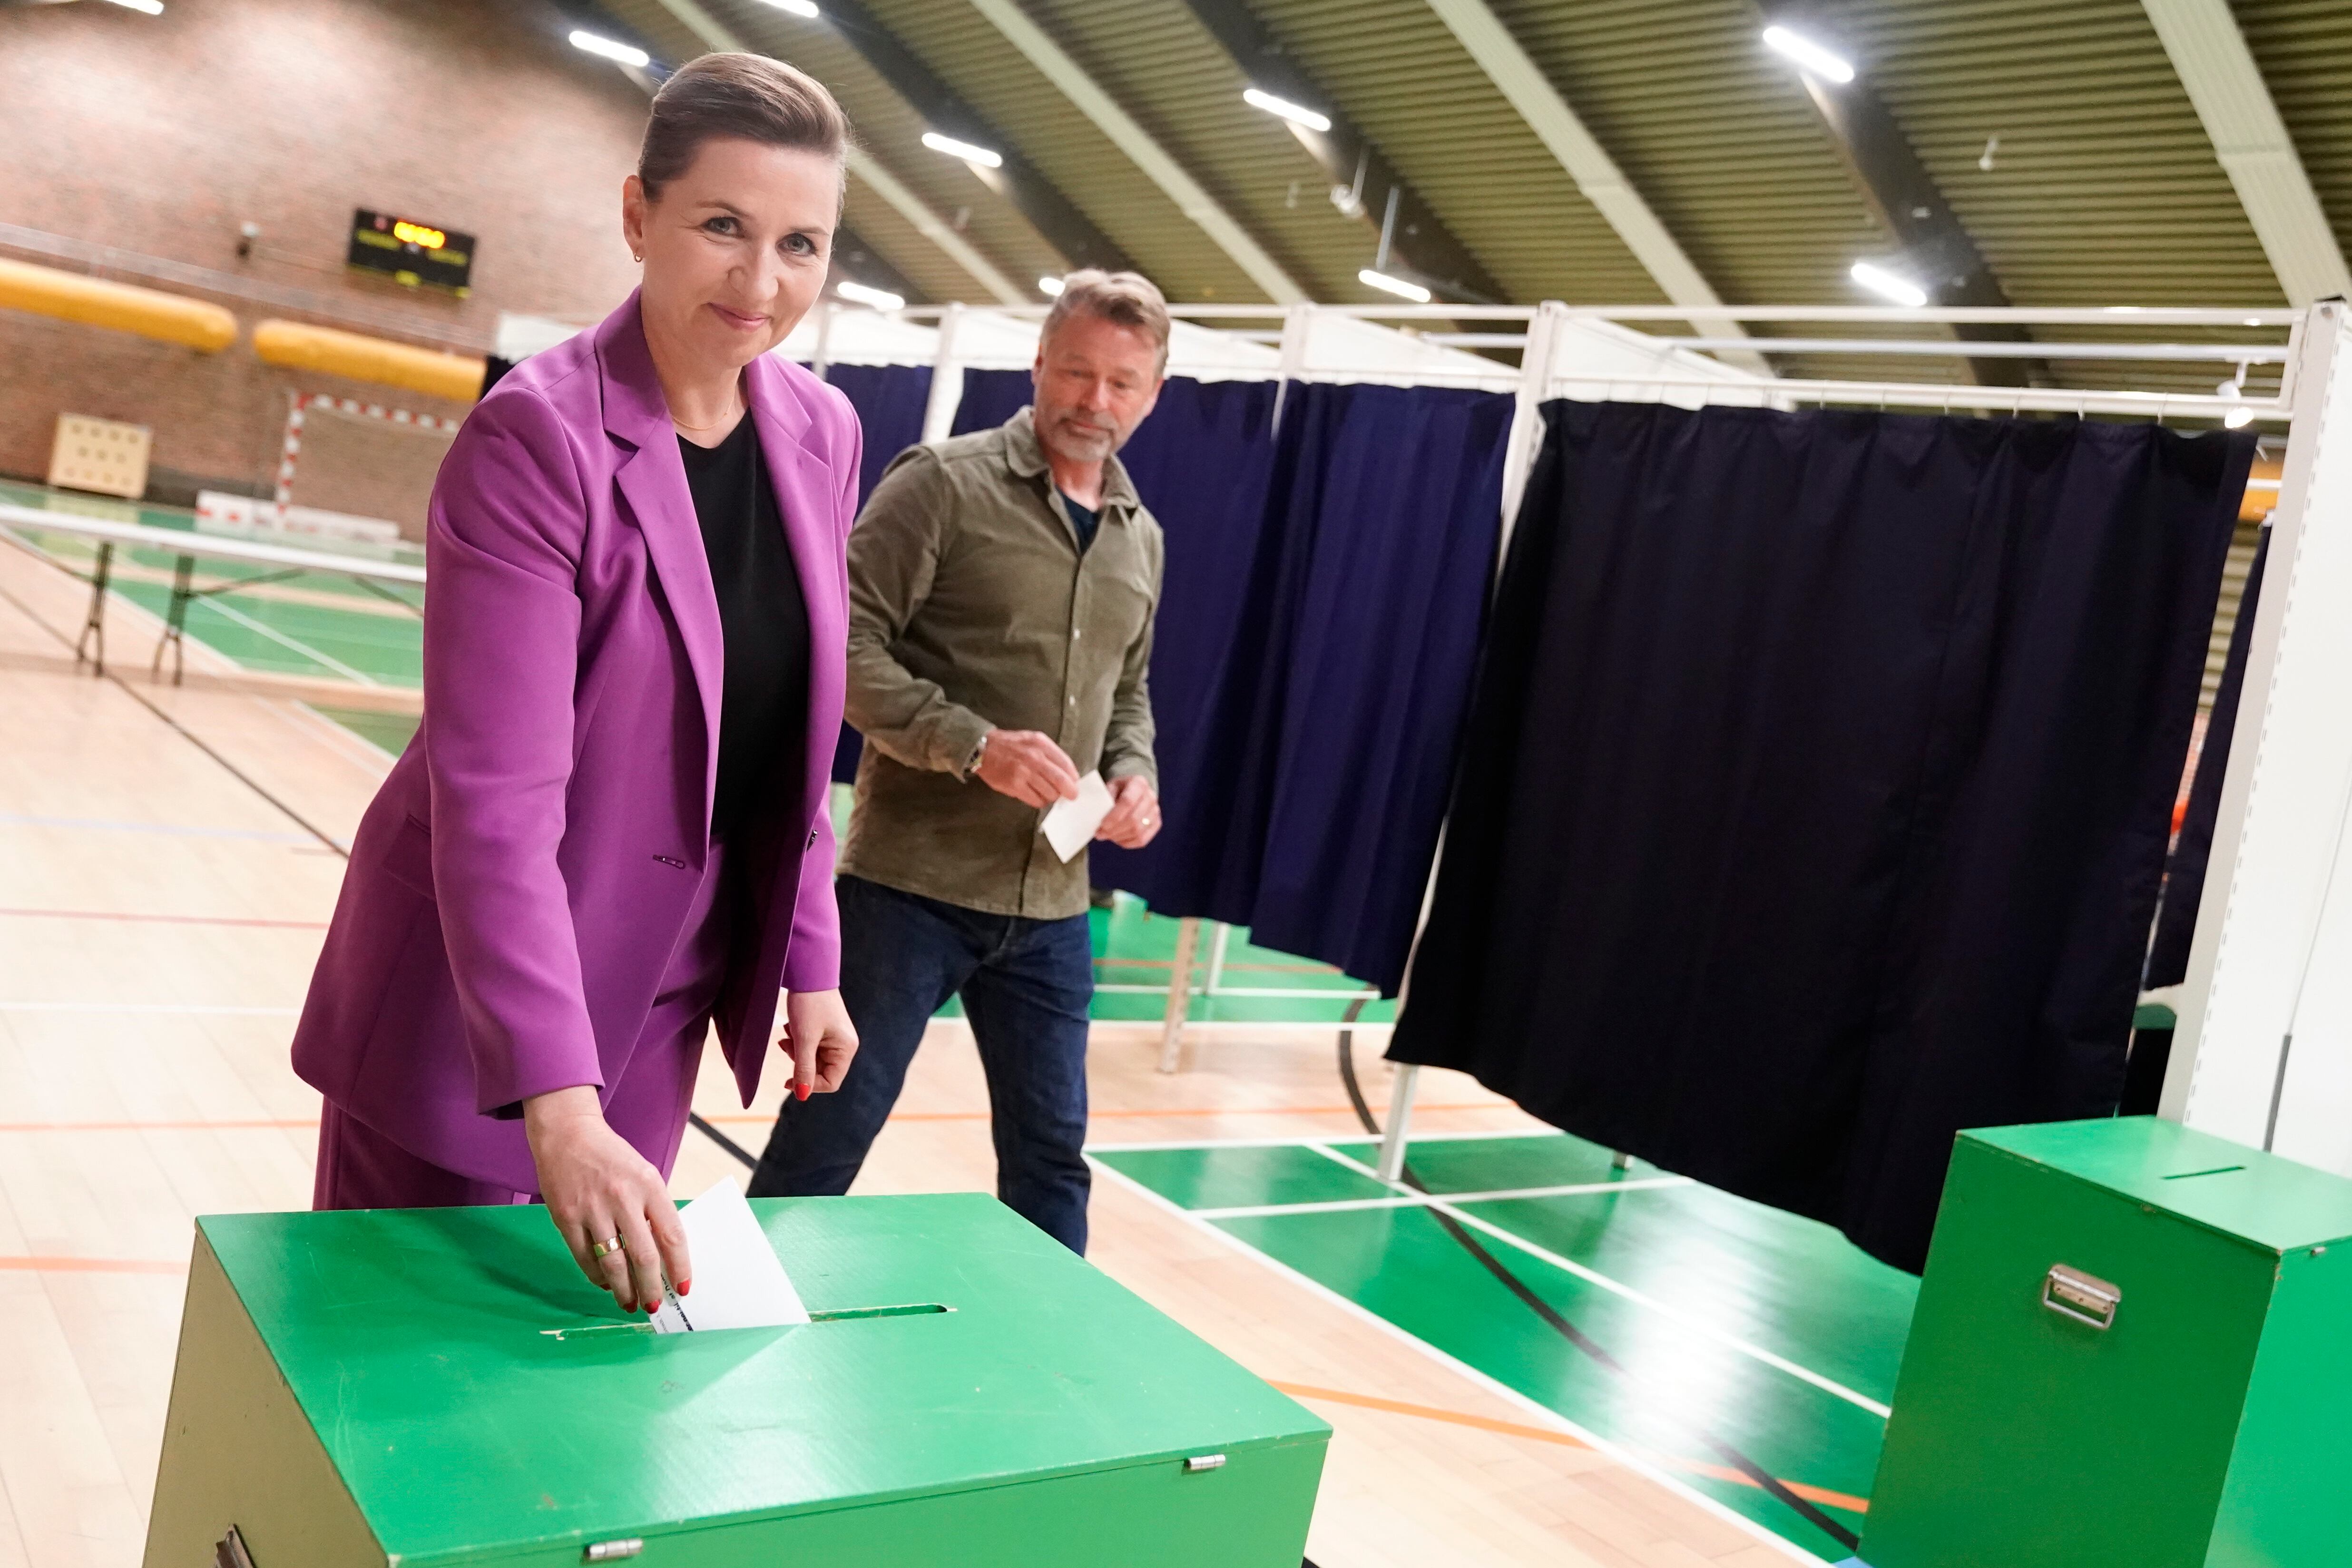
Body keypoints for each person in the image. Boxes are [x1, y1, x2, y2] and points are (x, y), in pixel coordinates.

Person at [290, 53, 862, 1318]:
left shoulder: (824, 435)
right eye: (724, 226)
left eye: (802, 244)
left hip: (652, 1016)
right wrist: (556, 1099)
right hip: (465, 1019)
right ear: (636, 216)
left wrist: (810, 957)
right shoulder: (536, 440)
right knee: (395, 1401)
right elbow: (496, 799)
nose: (762, 283)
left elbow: (789, 738)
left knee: (572, 1410)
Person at [747, 271, 1172, 1254]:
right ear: (1037, 366)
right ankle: (715, 1319)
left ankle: (1052, 1364)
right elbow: (838, 643)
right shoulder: (941, 482)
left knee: (1052, 1156)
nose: (1094, 402)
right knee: (829, 1131)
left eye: (1122, 383)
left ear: (1152, 395)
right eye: (1075, 373)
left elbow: (1131, 692)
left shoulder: (1140, 539)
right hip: (908, 893)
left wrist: (1136, 770)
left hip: (1056, 911)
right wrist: (970, 745)